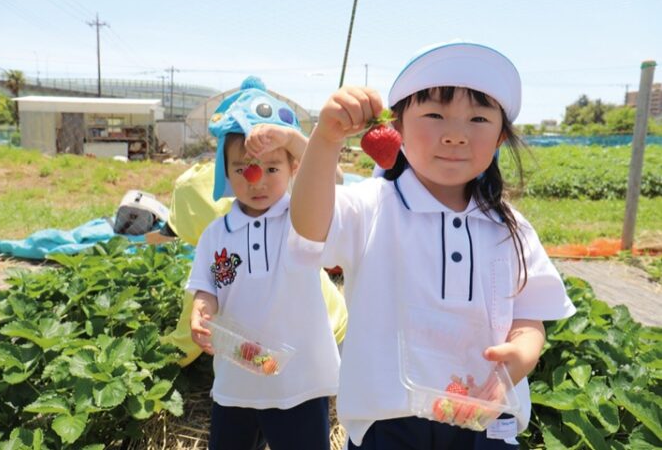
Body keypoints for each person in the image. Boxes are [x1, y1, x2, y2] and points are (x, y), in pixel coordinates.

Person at [290, 41, 576, 449]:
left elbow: (528, 315)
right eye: (435, 114)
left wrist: (522, 355)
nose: (456, 135)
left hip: (486, 415)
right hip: (390, 420)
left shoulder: (509, 226)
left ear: (499, 138)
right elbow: (308, 227)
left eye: (478, 118)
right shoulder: (372, 207)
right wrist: (325, 140)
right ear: (398, 128)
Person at [187, 77, 340, 450]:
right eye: (242, 169)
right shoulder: (216, 234)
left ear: (292, 169)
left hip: (299, 382)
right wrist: (201, 312)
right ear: (225, 172)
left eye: (272, 168)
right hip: (236, 381)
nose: (257, 180)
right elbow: (206, 287)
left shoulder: (303, 218)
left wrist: (290, 139)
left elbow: (329, 177)